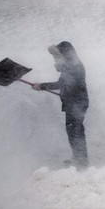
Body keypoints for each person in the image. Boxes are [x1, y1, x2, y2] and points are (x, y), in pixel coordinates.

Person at [32, 41, 89, 170]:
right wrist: (41, 86)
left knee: (76, 132)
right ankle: (78, 158)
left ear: (66, 54)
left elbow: (63, 84)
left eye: (59, 54)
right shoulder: (71, 65)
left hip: (77, 104)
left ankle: (82, 163)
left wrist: (41, 86)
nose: (57, 58)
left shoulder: (74, 66)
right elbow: (62, 83)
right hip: (74, 103)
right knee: (73, 132)